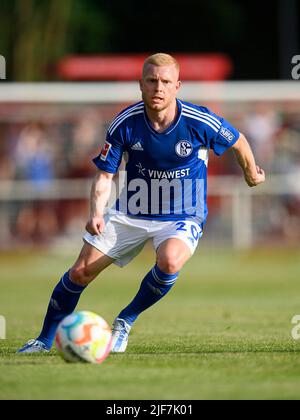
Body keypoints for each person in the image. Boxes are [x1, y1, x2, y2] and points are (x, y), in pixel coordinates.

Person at [18, 53, 265, 354]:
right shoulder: (125, 123)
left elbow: (238, 140)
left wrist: (251, 172)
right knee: (80, 271)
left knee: (170, 260)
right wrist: (96, 213)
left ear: (177, 86)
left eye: (165, 82)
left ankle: (126, 319)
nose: (158, 88)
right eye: (151, 81)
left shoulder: (199, 120)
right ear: (141, 85)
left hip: (182, 213)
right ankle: (43, 341)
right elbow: (104, 176)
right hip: (132, 209)